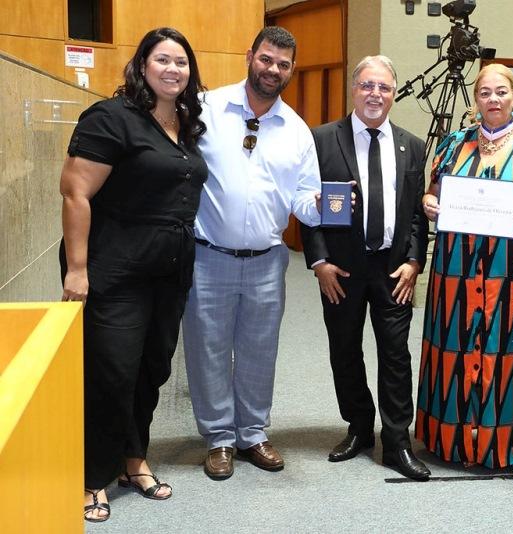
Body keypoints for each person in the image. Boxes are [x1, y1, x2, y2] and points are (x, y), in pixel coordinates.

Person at [59, 27, 207, 522]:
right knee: (111, 373)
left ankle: (133, 459)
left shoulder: (185, 125)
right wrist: (77, 270)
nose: (173, 69)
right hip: (115, 268)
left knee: (151, 370)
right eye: (162, 59)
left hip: (169, 271)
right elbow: (75, 191)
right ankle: (92, 476)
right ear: (142, 65)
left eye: (181, 62)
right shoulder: (112, 117)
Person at [182, 26, 320, 480]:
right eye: (266, 59)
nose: (272, 70)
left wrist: (324, 207)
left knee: (260, 350)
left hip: (266, 260)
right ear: (250, 56)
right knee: (208, 349)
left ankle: (254, 433)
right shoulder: (207, 108)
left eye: (282, 64)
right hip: (208, 256)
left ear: (291, 70)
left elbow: (305, 199)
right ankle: (219, 438)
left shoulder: (298, 131)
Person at [416, 63, 513, 485]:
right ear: (475, 100)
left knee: (512, 358)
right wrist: (428, 202)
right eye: (484, 93)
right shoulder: (453, 143)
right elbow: (432, 191)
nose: (493, 100)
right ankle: (450, 441)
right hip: (455, 274)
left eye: (501, 92)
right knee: (455, 351)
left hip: (511, 275)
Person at [299, 55, 430, 480]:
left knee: (396, 354)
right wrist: (319, 261)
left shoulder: (413, 144)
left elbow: (415, 213)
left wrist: (414, 260)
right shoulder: (321, 140)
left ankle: (397, 442)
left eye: (385, 88)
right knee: (345, 349)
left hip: (394, 270)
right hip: (341, 269)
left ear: (394, 93)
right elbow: (308, 206)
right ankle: (358, 427)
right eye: (368, 86)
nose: (376, 94)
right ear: (354, 89)